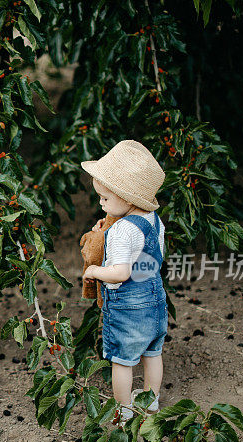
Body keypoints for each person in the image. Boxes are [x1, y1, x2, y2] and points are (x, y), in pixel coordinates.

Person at [81, 140, 167, 424]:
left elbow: (119, 272)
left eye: (105, 198)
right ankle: (152, 403)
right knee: (153, 354)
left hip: (128, 306)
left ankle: (124, 412)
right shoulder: (153, 220)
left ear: (128, 198)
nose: (101, 203)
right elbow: (152, 259)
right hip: (155, 299)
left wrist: (94, 270)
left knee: (122, 361)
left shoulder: (121, 230)